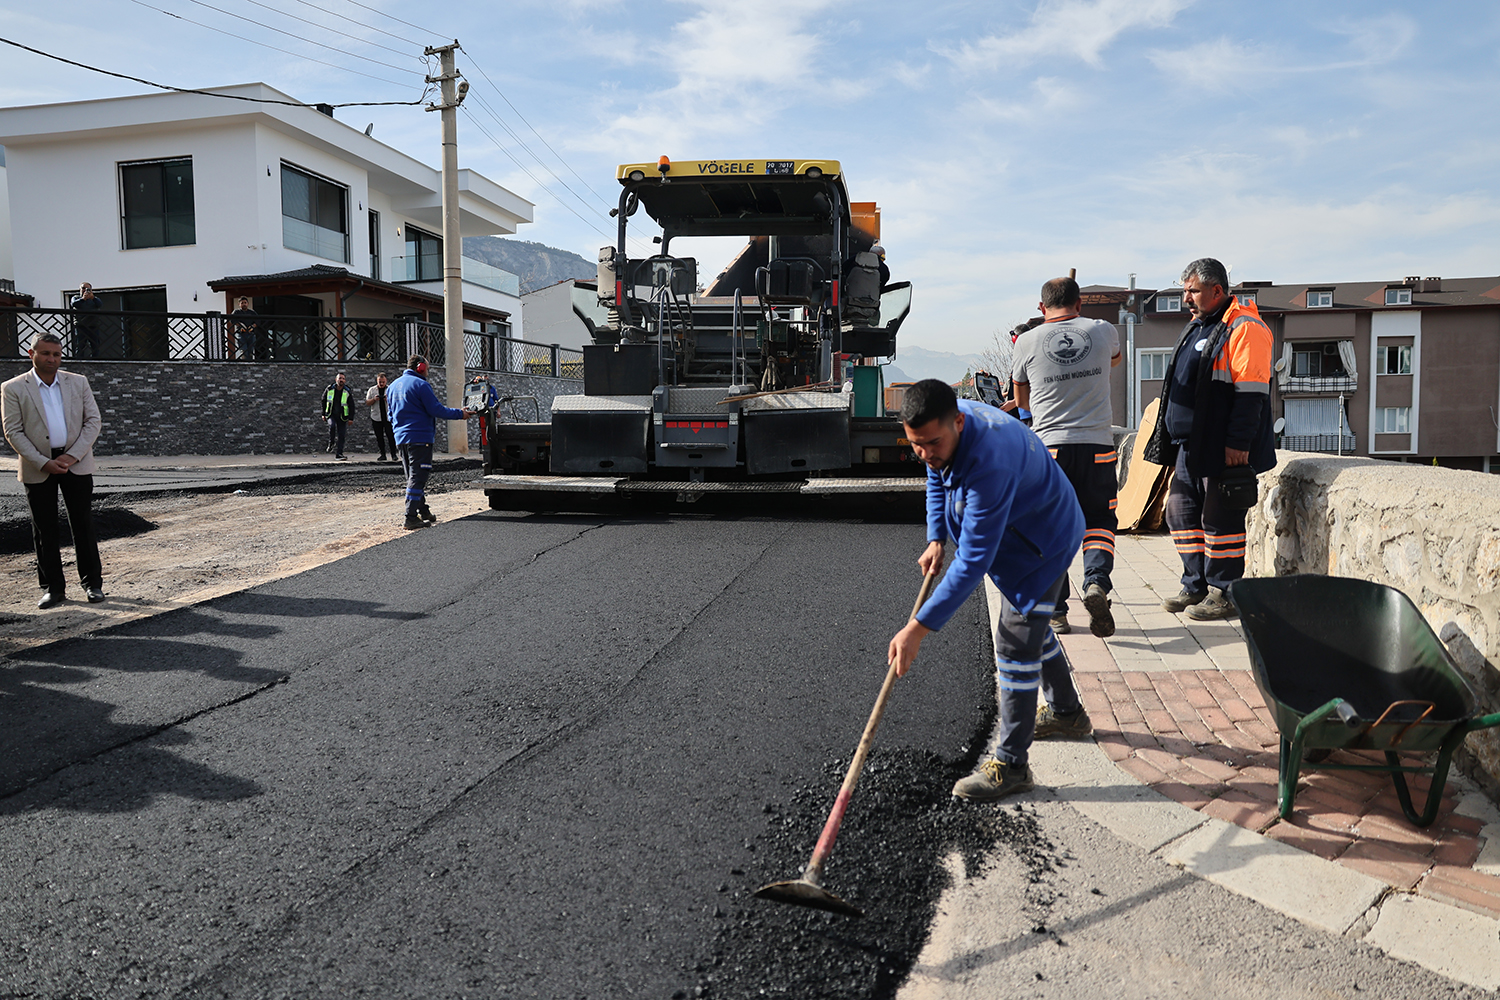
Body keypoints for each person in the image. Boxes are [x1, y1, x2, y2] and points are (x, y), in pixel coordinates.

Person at [887, 379, 1090, 802]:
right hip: (1019, 536)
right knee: (1030, 626)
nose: (924, 453)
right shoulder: (941, 428)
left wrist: (917, 629)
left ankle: (1013, 765)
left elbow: (973, 562)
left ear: (959, 422)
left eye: (931, 443)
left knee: (1015, 641)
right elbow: (937, 476)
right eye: (915, 445)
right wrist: (937, 536)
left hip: (1043, 544)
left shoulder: (989, 463)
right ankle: (1068, 713)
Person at [1143, 258, 1276, 620]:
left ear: (1217, 290)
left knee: (1221, 518)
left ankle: (1225, 591)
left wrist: (1238, 443)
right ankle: (1195, 584)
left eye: (1193, 291)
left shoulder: (1244, 327)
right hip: (1192, 444)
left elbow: (1251, 393)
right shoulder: (1199, 325)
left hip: (1222, 445)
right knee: (1179, 511)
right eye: (1184, 290)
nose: (1187, 297)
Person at [1010, 276, 1123, 638]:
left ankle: (1056, 611)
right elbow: (1114, 362)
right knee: (1099, 522)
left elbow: (1022, 399)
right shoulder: (1103, 331)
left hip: (1050, 453)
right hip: (1098, 448)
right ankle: (1096, 584)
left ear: (1041, 308)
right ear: (1080, 303)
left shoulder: (1026, 341)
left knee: (1051, 530)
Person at [1, 333, 105, 608]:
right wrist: (43, 462)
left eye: (56, 354)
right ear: (31, 353)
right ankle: (53, 588)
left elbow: (93, 421)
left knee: (83, 523)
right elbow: (13, 431)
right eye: (45, 353)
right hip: (38, 466)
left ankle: (92, 584)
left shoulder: (78, 382)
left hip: (76, 463)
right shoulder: (13, 388)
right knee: (44, 528)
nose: (52, 359)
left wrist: (72, 456)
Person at [386, 355, 472, 530]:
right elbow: (436, 409)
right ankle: (410, 517)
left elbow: (390, 415)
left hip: (401, 439)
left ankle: (423, 511)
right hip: (419, 438)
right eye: (428, 367)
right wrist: (460, 414)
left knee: (413, 477)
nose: (428, 371)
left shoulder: (392, 386)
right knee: (418, 477)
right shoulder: (421, 385)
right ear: (420, 366)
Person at [321, 372, 354, 461]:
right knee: (331, 426)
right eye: (340, 378)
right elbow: (323, 400)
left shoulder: (347, 391)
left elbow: (351, 405)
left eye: (343, 378)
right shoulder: (329, 389)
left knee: (341, 435)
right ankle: (331, 443)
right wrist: (323, 414)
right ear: (336, 380)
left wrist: (351, 418)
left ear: (345, 380)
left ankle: (339, 454)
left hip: (342, 416)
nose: (341, 380)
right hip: (331, 414)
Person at [365, 372, 397, 462]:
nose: (381, 384)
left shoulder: (391, 389)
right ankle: (382, 454)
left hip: (388, 417)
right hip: (376, 417)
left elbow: (397, 402)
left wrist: (388, 399)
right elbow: (367, 402)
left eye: (383, 382)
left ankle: (394, 454)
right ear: (377, 381)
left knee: (391, 436)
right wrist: (374, 399)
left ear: (386, 381)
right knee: (379, 437)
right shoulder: (372, 390)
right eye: (380, 382)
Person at [70, 283, 103, 359]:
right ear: (80, 289)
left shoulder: (95, 299)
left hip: (93, 325)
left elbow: (100, 304)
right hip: (80, 326)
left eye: (88, 289)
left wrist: (93, 298)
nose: (85, 290)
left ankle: (96, 361)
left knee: (95, 345)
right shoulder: (76, 298)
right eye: (83, 288)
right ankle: (78, 361)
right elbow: (74, 304)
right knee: (80, 346)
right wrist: (83, 299)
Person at [230, 296, 259, 361]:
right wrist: (240, 325)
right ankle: (244, 364)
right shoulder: (237, 312)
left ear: (247, 303)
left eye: (245, 302)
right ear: (239, 304)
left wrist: (252, 327)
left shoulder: (252, 312)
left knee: (251, 351)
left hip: (251, 333)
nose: (244, 304)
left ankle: (250, 363)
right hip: (241, 333)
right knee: (243, 351)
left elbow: (258, 321)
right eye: (242, 303)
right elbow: (232, 320)